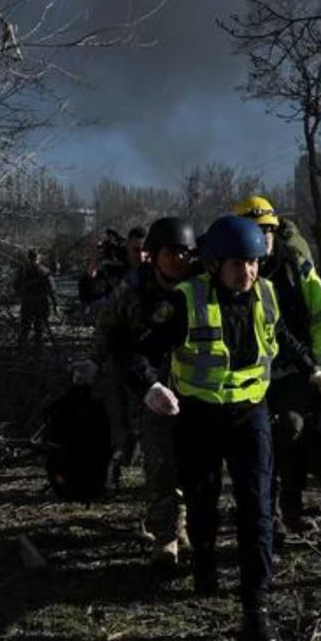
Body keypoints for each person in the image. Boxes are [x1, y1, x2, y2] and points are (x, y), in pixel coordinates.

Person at [168, 215, 321, 641]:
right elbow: (147, 347)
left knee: (257, 509)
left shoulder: (266, 293)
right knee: (202, 501)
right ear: (215, 265)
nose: (249, 272)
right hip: (199, 419)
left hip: (250, 417)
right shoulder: (186, 300)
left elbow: (282, 336)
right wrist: (151, 385)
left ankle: (255, 608)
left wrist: (313, 370)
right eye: (239, 264)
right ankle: (204, 562)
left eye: (255, 262)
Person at [87, 217, 200, 572]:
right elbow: (108, 325)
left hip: (198, 384)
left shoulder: (201, 285)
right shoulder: (134, 287)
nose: (179, 259)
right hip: (150, 382)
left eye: (184, 252)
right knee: (160, 459)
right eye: (172, 253)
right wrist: (93, 361)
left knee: (194, 462)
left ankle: (187, 528)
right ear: (155, 255)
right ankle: (166, 535)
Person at [233, 195, 321, 535]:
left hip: (294, 367)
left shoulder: (294, 264)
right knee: (258, 442)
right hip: (248, 373)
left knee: (292, 431)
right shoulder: (232, 268)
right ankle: (267, 512)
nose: (263, 237)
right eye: (255, 230)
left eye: (268, 230)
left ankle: (290, 508)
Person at [14, 248, 56, 347]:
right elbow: (52, 289)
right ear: (38, 258)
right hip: (40, 302)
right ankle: (37, 348)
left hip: (27, 302)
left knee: (25, 327)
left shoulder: (23, 270)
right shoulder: (44, 271)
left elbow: (15, 285)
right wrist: (55, 304)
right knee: (39, 328)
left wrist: (22, 294)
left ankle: (22, 348)